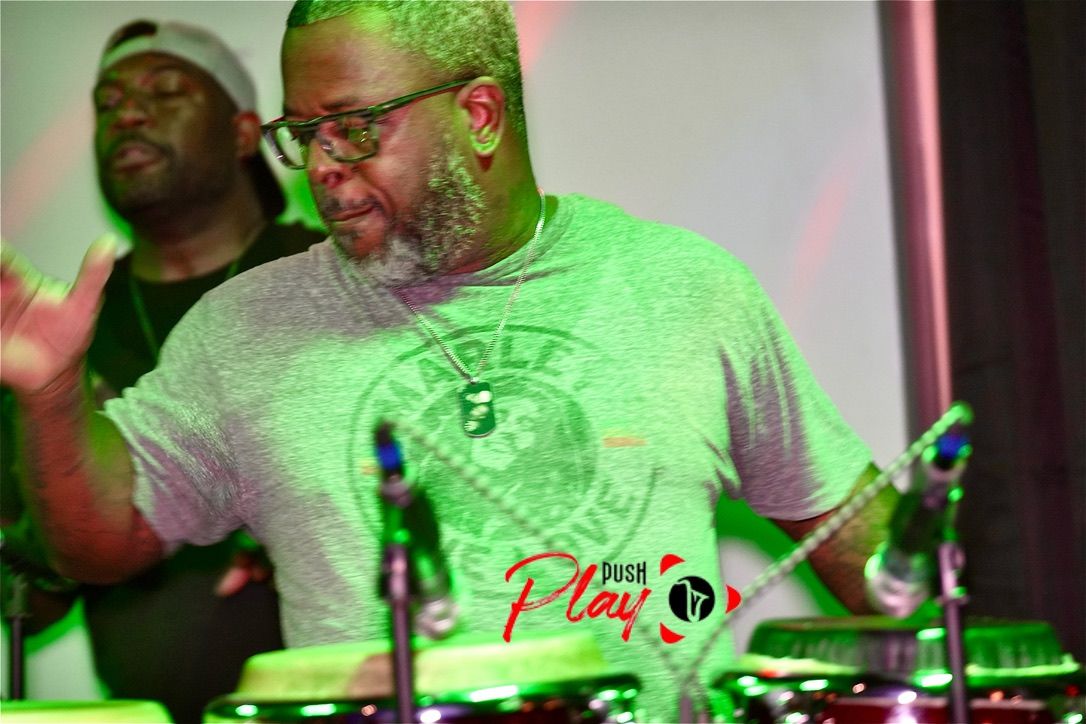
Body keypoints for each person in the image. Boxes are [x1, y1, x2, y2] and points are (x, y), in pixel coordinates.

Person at [0, 2, 899, 719]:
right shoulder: (245, 328)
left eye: (354, 126)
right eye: (304, 134)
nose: (322, 166)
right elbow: (100, 541)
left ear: (479, 114)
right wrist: (50, 393)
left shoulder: (685, 287)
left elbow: (873, 554)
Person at [0, 19, 322, 723]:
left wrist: (301, 511)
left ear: (244, 133)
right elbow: (27, 599)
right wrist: (72, 455)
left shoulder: (332, 282)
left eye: (166, 90)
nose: (129, 114)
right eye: (108, 103)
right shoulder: (58, 333)